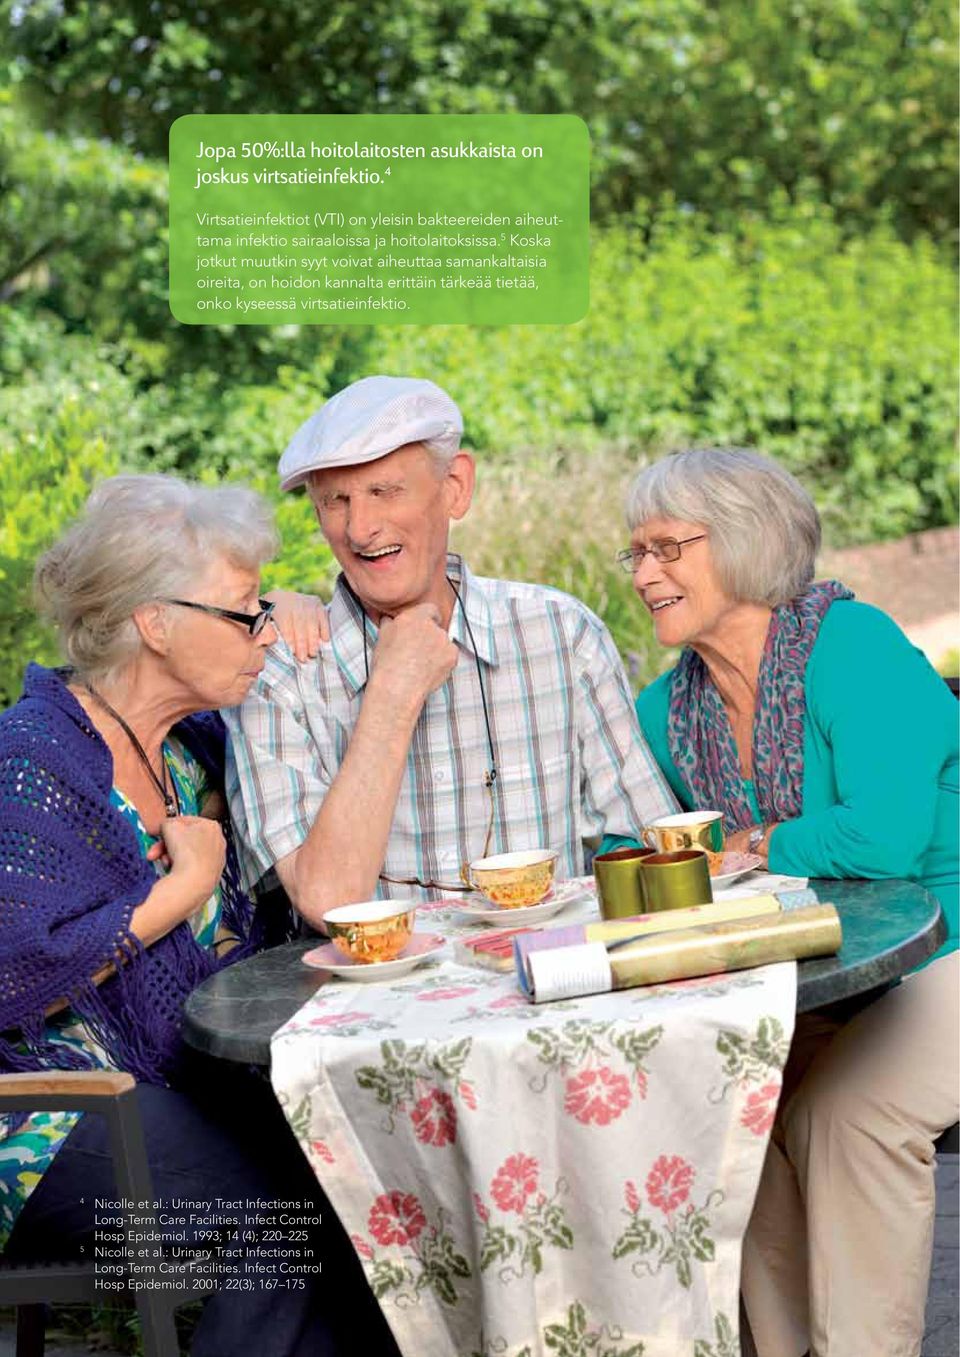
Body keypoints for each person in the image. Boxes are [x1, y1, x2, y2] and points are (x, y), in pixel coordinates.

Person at [0, 474, 396, 1357]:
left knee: (376, 1168)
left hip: (179, 1096)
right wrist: (178, 888)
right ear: (155, 622)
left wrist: (286, 609)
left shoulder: (193, 743)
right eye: (240, 612)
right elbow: (13, 973)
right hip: (42, 1123)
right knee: (302, 1205)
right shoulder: (33, 759)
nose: (259, 634)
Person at [622, 446, 958, 1357]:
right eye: (636, 553)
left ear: (742, 541)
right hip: (815, 967)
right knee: (723, 1111)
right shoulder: (664, 709)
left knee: (847, 1117)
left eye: (667, 548)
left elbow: (885, 837)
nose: (644, 573)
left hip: (946, 941)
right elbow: (646, 847)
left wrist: (755, 843)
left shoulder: (856, 647)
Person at [224, 375, 677, 925]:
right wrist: (391, 694)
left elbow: (654, 841)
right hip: (373, 1006)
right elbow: (328, 906)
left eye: (384, 491)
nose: (361, 529)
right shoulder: (276, 676)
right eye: (335, 501)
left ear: (455, 486)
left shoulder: (561, 633)